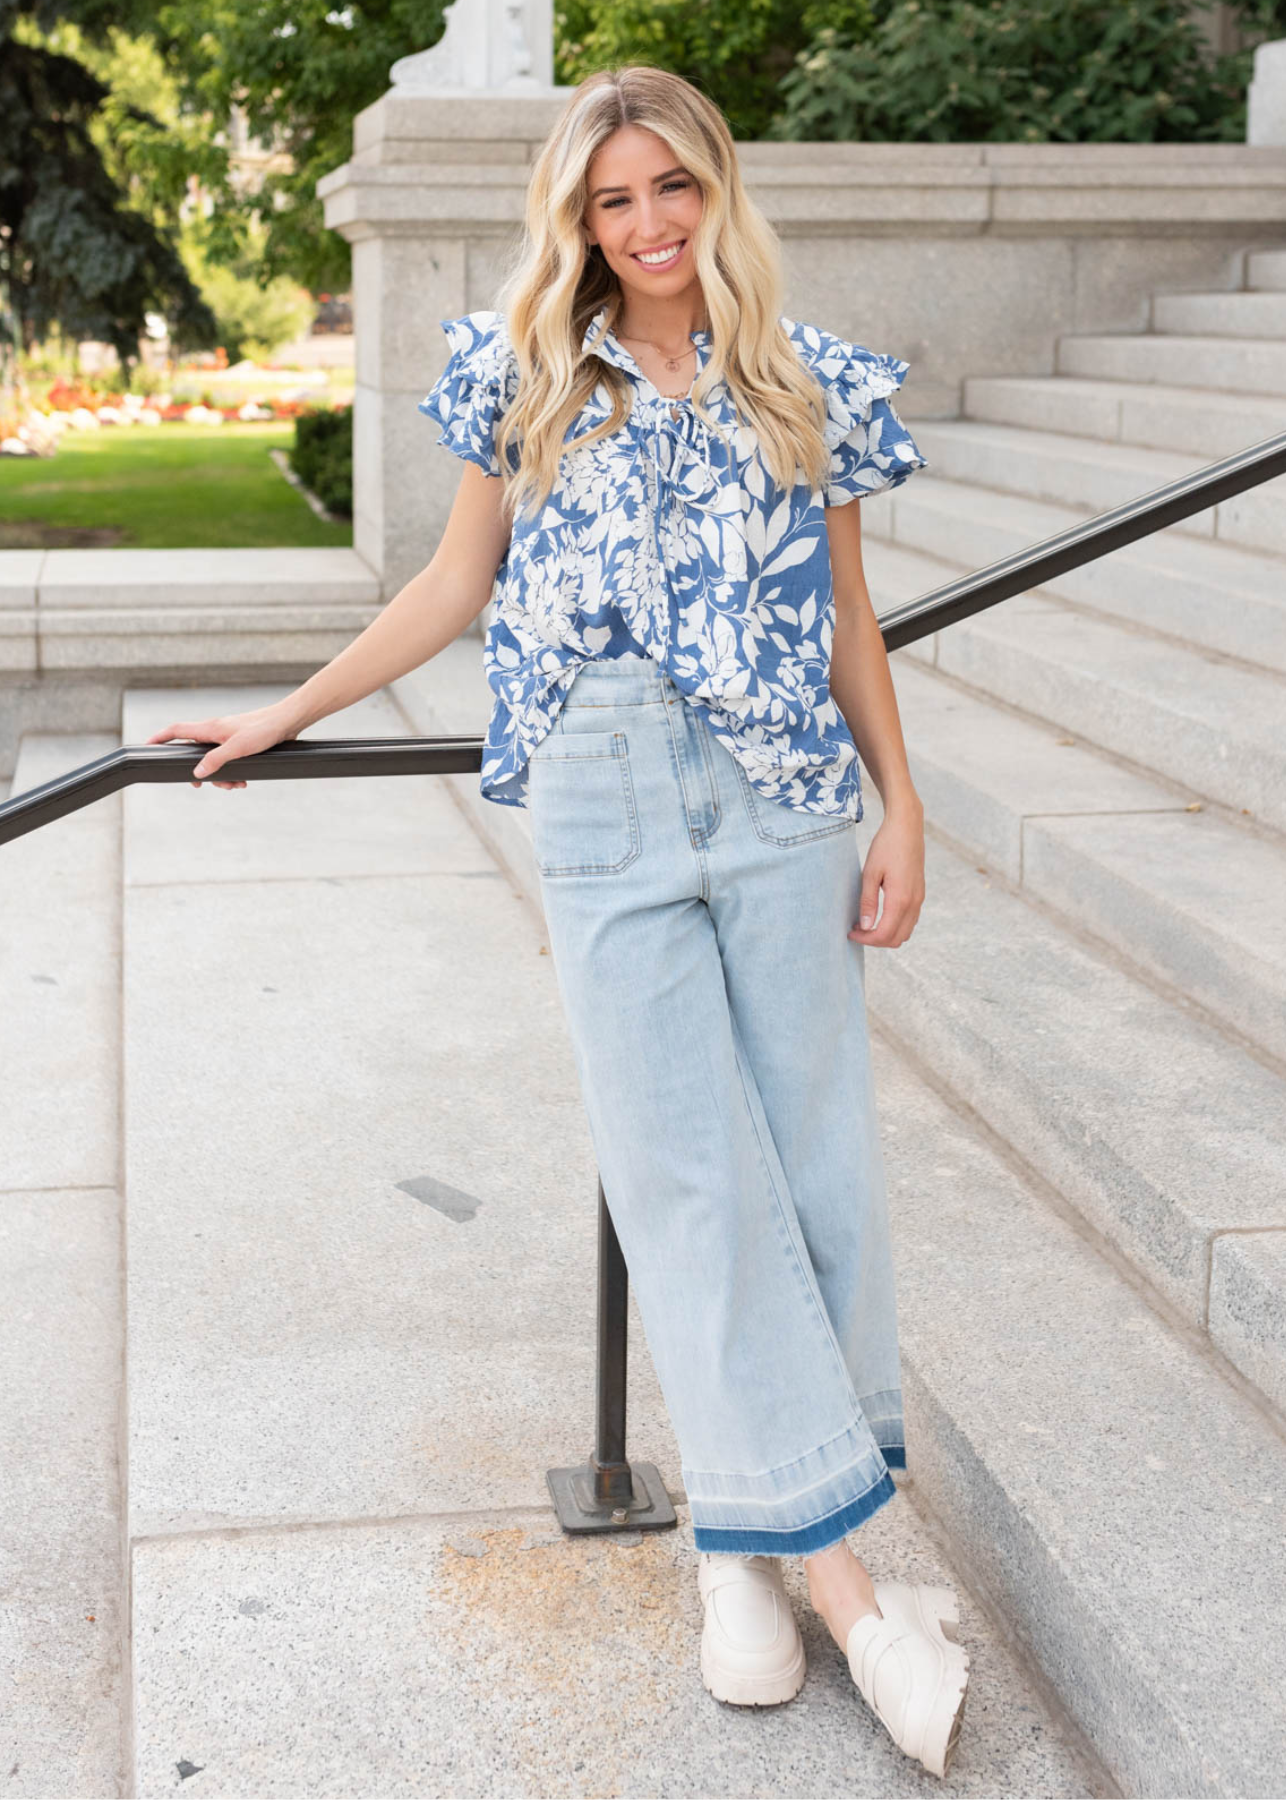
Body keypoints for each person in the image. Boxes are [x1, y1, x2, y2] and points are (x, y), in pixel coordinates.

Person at [145, 63, 969, 1779]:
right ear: (574, 219)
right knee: (685, 1178)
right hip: (600, 798)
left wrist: (901, 806)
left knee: (812, 1171)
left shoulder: (807, 380)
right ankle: (853, 1602)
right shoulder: (516, 369)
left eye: (672, 189)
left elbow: (846, 617)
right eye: (612, 200)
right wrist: (274, 718)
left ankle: (740, 1558)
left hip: (783, 804)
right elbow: (454, 586)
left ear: (714, 191)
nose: (648, 225)